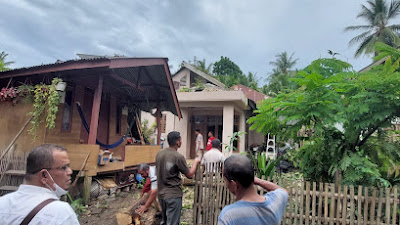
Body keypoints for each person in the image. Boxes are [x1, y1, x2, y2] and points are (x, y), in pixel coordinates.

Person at [0, 144, 79, 225]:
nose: (70, 172)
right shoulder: (61, 213)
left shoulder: (2, 204)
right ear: (44, 175)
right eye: (63, 167)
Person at [218, 155, 289, 225]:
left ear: (234, 184)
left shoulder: (228, 215)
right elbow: (283, 191)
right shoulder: (273, 204)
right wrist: (257, 180)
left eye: (225, 180)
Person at [156, 131, 201, 225]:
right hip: (173, 195)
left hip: (161, 194)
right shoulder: (178, 157)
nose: (181, 141)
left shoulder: (159, 154)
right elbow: (189, 175)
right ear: (177, 142)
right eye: (180, 139)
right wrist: (195, 162)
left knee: (165, 221)